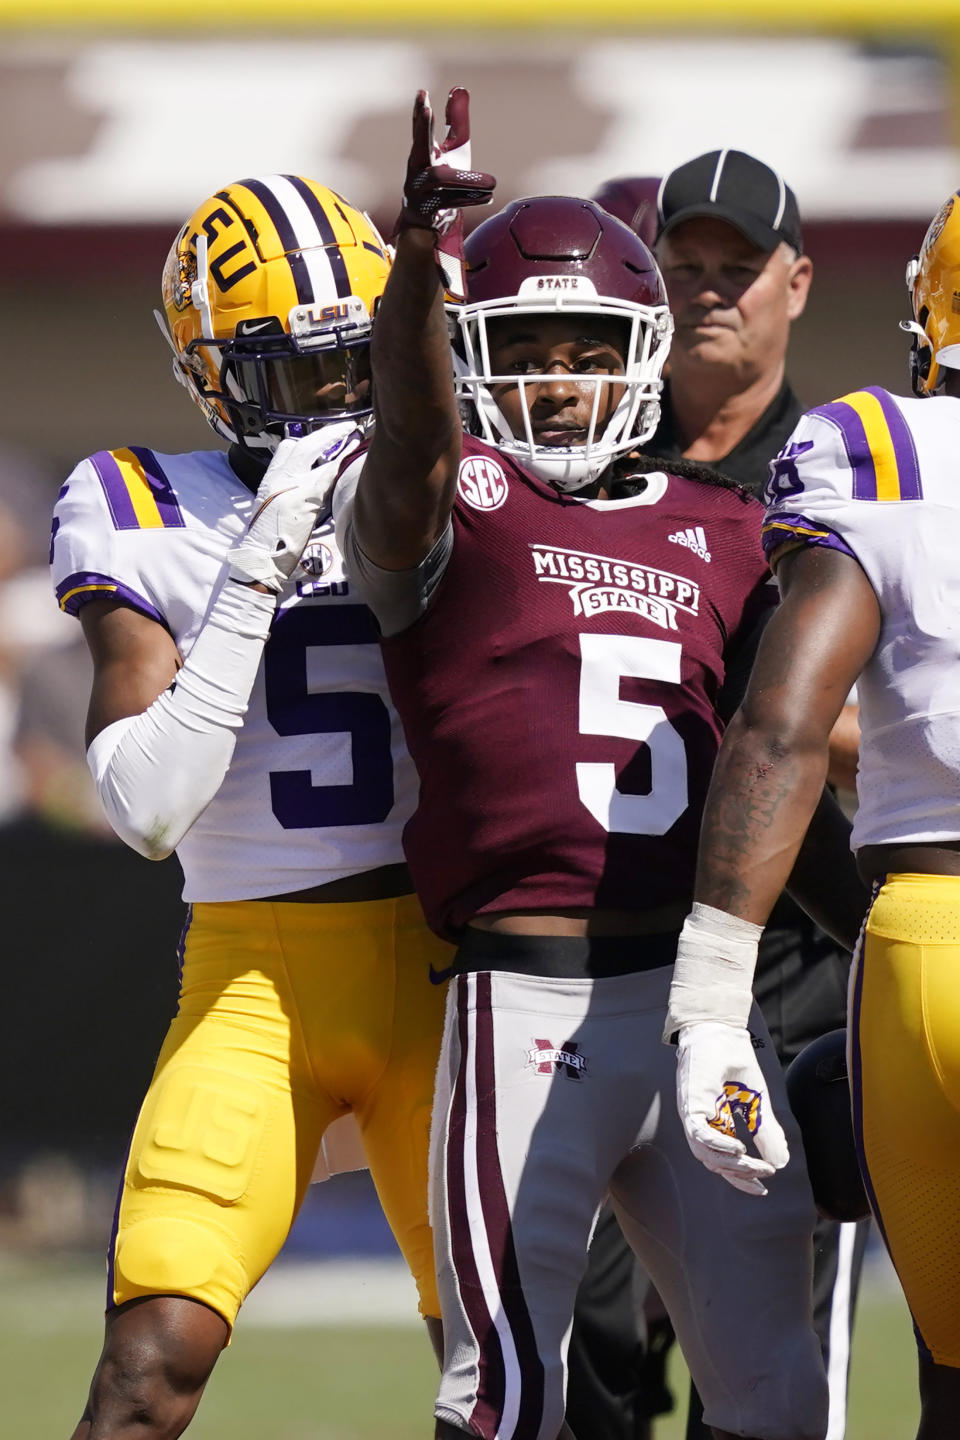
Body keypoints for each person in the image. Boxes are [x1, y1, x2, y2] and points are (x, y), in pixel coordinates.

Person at [335, 87, 865, 1440]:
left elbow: (798, 740)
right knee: (506, 1391)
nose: (558, 377)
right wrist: (415, 268)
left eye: (586, 347)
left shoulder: (729, 526)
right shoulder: (458, 499)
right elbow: (410, 440)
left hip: (699, 1007)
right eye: (523, 348)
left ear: (639, 355)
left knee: (778, 1396)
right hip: (526, 1004)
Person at [51, 175, 454, 1439]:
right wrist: (255, 569)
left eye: (357, 361)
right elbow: (149, 807)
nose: (340, 400)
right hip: (257, 977)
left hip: (454, 971)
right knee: (145, 1369)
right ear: (213, 376)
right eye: (300, 373)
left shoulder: (447, 466)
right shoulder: (144, 502)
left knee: (516, 1371)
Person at [664, 186, 960, 1440]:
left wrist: (711, 993)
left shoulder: (884, 447)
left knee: (948, 1379)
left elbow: (780, 723)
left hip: (929, 946)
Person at [582, 151, 868, 1440]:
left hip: (791, 957)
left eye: (734, 270)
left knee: (763, 1361)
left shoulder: (840, 475)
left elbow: (885, 720)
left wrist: (783, 718)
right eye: (681, 267)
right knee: (582, 1345)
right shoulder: (573, 461)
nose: (707, 294)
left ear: (796, 282)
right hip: (607, 946)